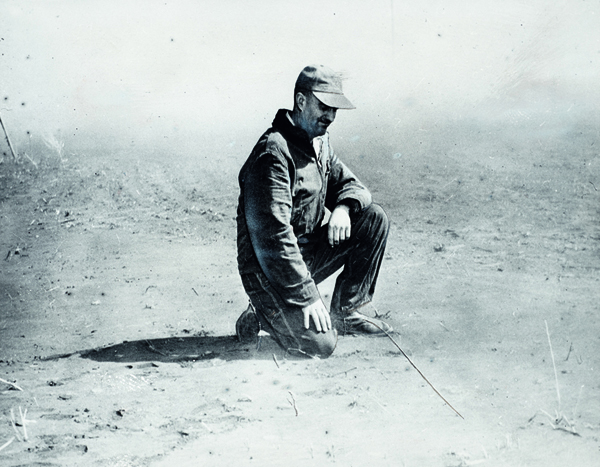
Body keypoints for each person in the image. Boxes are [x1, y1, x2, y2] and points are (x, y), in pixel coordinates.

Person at [235, 64, 391, 358]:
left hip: (303, 257)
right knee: (320, 345)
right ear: (301, 101)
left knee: (373, 219)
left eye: (335, 109)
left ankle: (348, 311)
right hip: (268, 270)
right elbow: (274, 240)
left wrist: (343, 208)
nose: (330, 116)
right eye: (324, 106)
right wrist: (308, 297)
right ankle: (262, 311)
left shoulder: (317, 145)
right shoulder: (273, 153)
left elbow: (355, 188)